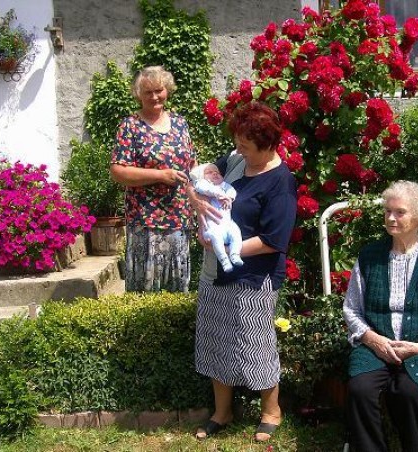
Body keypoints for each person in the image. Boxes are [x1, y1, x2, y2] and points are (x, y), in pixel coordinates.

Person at [190, 102, 297, 442]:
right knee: (215, 342)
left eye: (246, 146)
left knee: (256, 343)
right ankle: (222, 412)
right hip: (215, 272)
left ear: (267, 144)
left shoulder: (281, 181)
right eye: (237, 143)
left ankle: (271, 411)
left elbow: (272, 240)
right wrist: (197, 204)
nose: (237, 151)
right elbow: (201, 183)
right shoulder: (236, 160)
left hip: (253, 277)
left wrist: (223, 246)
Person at [343, 180, 418, 452]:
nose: (390, 217)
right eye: (387, 211)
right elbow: (352, 308)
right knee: (360, 389)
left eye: (399, 212)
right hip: (376, 345)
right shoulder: (369, 255)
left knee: (407, 391)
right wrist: (374, 340)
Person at [110, 66, 195, 293]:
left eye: (159, 90)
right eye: (148, 92)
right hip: (145, 221)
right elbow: (118, 171)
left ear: (167, 89)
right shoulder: (130, 126)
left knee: (177, 288)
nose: (155, 96)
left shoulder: (180, 123)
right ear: (139, 95)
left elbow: (192, 164)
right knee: (147, 288)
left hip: (179, 219)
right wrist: (160, 175)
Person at [189, 163, 243, 273]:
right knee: (216, 238)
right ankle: (224, 260)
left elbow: (232, 191)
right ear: (202, 176)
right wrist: (219, 195)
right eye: (209, 172)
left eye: (217, 172)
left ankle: (235, 254)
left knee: (236, 233)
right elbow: (205, 189)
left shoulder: (224, 185)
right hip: (212, 226)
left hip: (228, 224)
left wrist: (229, 198)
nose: (215, 173)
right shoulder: (202, 184)